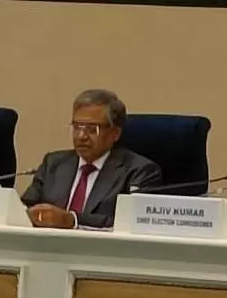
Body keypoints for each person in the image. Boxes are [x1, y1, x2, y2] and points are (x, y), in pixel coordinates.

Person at [22, 89, 161, 229]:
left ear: (115, 133)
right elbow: (23, 209)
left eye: (92, 129)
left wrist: (72, 220)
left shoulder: (139, 171)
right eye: (77, 127)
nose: (81, 136)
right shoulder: (53, 163)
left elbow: (134, 223)